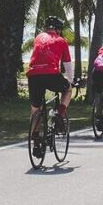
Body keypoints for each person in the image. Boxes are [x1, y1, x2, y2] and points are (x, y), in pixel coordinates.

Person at [27, 16, 73, 155]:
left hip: (33, 75)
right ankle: (60, 113)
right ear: (58, 30)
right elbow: (67, 66)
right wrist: (71, 80)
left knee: (36, 108)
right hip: (51, 74)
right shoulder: (61, 41)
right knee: (68, 89)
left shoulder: (38, 37)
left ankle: (35, 140)